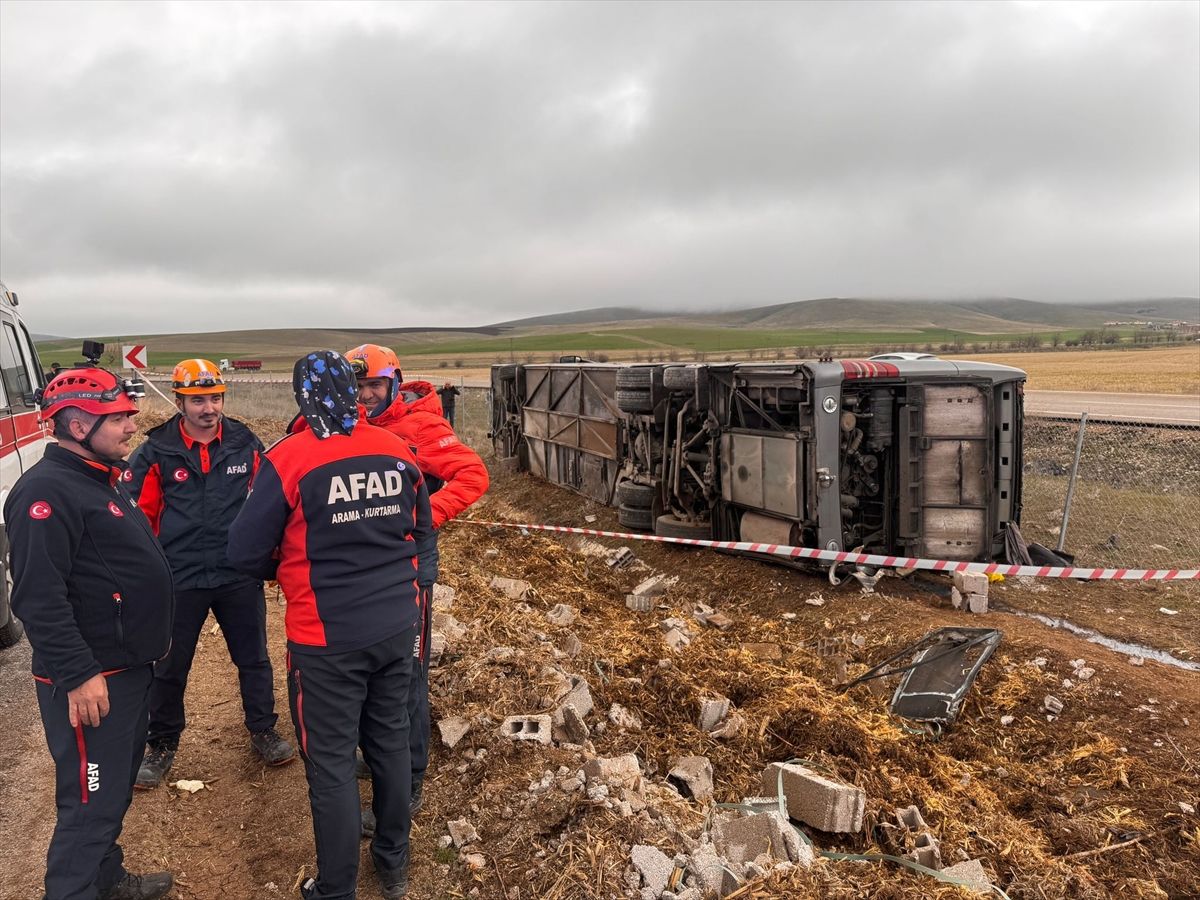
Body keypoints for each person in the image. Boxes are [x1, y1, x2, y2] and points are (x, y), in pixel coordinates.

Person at [227, 351, 432, 900]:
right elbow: (420, 528)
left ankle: (336, 888)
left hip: (326, 640)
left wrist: (286, 565)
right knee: (389, 742)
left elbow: (242, 551)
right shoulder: (395, 449)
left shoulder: (289, 458)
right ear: (352, 391)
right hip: (397, 624)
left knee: (332, 764)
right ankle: (393, 862)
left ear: (303, 396)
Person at [3, 366, 175, 900]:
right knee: (88, 806)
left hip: (126, 671)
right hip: (93, 681)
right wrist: (79, 675)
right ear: (78, 426)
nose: (132, 426)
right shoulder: (45, 492)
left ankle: (107, 880)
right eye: (118, 418)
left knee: (113, 791)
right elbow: (38, 598)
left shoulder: (99, 477)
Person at [127, 359, 294, 789]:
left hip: (237, 573)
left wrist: (272, 558)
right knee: (169, 665)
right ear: (179, 401)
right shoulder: (156, 451)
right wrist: (145, 576)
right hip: (179, 576)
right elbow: (138, 519)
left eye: (215, 398)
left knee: (254, 658)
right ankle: (162, 743)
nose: (209, 408)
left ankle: (263, 729)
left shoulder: (245, 443)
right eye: (198, 400)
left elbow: (270, 505)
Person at [344, 344, 488, 829]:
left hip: (408, 568)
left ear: (394, 383)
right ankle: (380, 756)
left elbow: (473, 474)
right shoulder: (351, 426)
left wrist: (423, 517)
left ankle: (409, 781)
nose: (366, 396)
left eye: (374, 386)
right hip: (366, 567)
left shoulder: (420, 426)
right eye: (358, 387)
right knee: (370, 668)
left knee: (406, 675)